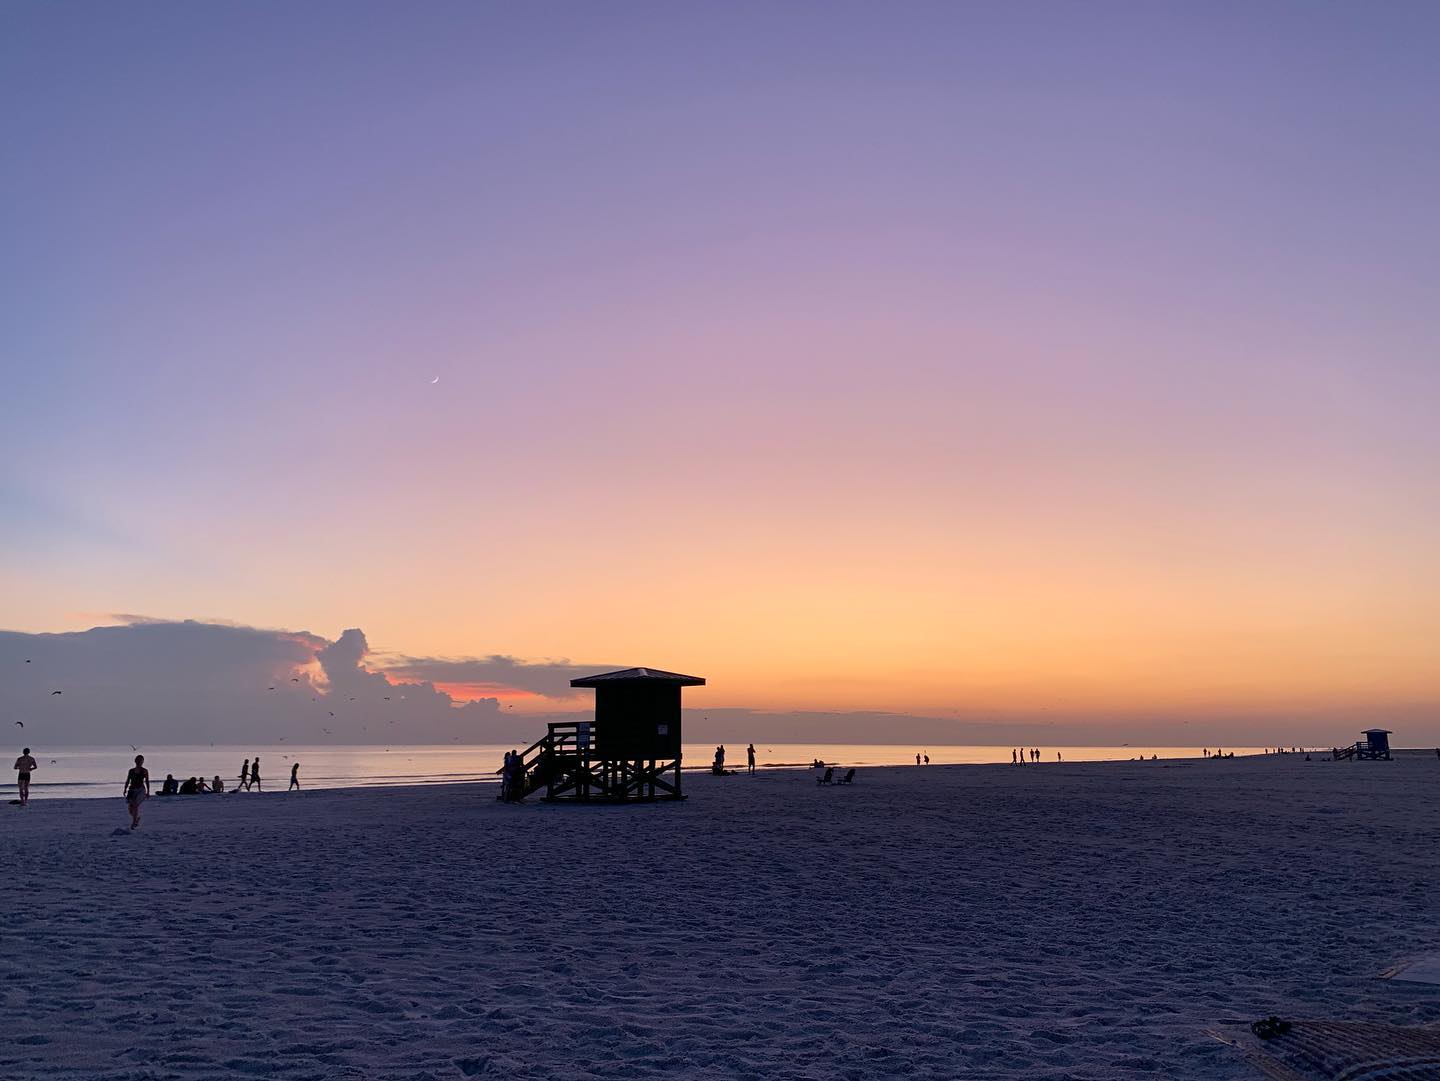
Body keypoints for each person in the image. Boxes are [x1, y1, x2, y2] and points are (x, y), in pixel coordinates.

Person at [123, 754, 149, 830]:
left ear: (142, 762)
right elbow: (128, 780)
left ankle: (134, 824)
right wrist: (125, 789)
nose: (139, 762)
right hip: (132, 790)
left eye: (141, 761)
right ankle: (136, 818)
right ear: (135, 761)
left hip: (140, 790)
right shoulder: (131, 771)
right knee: (130, 809)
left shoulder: (144, 771)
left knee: (135, 805)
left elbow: (147, 781)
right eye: (138, 761)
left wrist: (148, 792)